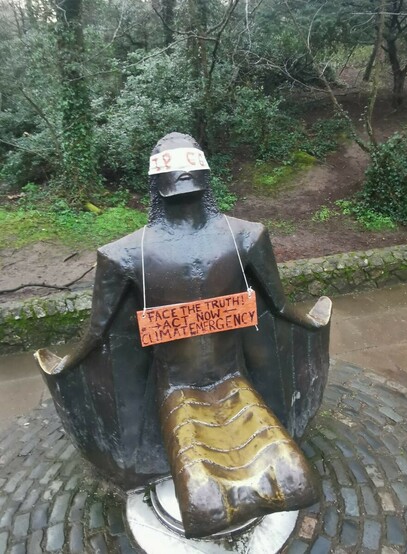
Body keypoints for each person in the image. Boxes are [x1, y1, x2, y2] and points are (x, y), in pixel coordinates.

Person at [36, 132, 331, 537]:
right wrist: (68, 365)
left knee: (296, 480)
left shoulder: (246, 237)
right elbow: (99, 334)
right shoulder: (125, 256)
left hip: (234, 378)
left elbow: (278, 308)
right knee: (205, 504)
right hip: (175, 389)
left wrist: (312, 322)